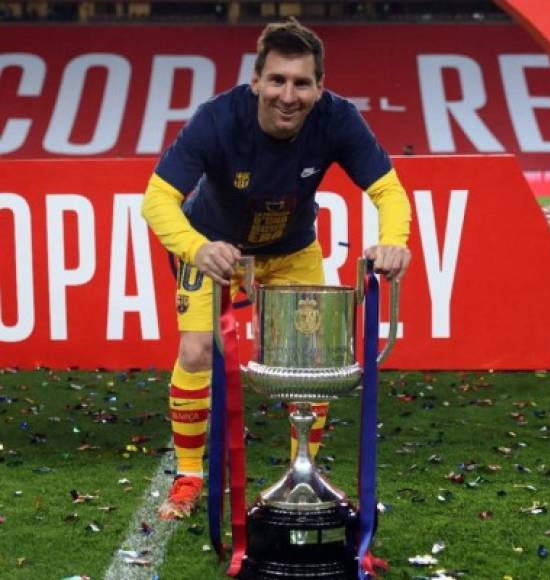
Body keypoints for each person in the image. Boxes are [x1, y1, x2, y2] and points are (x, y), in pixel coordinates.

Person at [141, 17, 412, 520]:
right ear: (256, 82)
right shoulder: (217, 119)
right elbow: (157, 199)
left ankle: (301, 477)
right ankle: (189, 475)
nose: (288, 95)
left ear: (319, 87)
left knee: (312, 363)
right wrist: (198, 248)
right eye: (278, 81)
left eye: (302, 83)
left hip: (292, 250)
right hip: (218, 252)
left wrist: (394, 241)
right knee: (197, 350)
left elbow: (388, 190)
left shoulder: (339, 119)